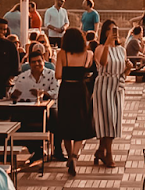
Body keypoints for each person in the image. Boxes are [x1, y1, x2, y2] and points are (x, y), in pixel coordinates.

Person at [54, 28, 97, 175]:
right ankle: (75, 155)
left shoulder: (62, 54)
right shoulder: (88, 54)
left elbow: (58, 75)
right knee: (81, 123)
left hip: (66, 89)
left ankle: (69, 152)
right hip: (80, 90)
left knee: (66, 123)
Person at [92, 19, 127, 169]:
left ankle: (101, 150)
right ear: (105, 32)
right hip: (104, 85)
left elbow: (124, 71)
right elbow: (103, 62)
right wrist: (107, 44)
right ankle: (109, 154)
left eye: (115, 29)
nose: (113, 32)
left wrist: (129, 68)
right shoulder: (100, 48)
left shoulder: (122, 50)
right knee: (108, 119)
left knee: (114, 120)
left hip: (117, 86)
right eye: (110, 29)